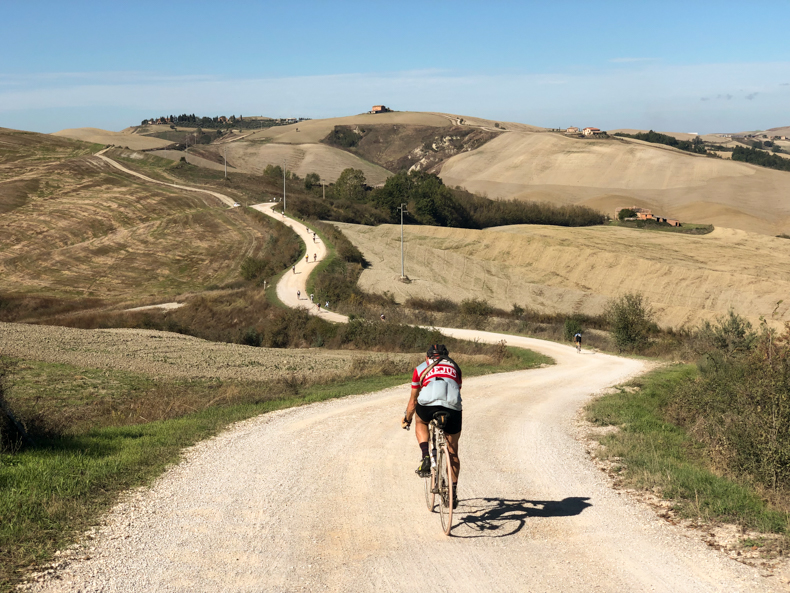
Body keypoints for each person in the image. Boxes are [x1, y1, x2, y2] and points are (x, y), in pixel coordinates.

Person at [402, 344, 462, 508]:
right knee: (453, 450)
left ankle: (425, 456)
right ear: (446, 355)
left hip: (428, 406)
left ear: (427, 357)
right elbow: (457, 388)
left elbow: (413, 401)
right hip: (452, 406)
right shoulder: (455, 367)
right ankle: (453, 492)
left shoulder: (421, 368)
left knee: (420, 421)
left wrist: (407, 419)